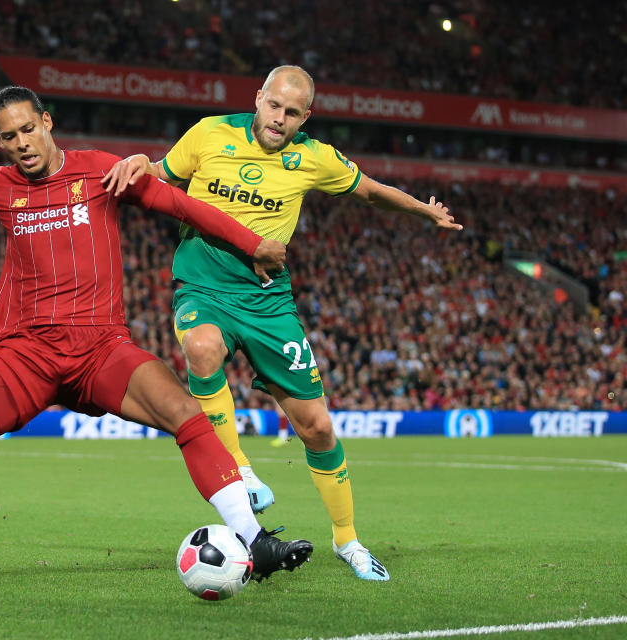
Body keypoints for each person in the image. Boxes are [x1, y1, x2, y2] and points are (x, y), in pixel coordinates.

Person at [0, 86, 313, 584]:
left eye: (28, 129)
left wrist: (253, 245)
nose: (22, 144)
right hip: (25, 355)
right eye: (9, 137)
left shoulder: (101, 170)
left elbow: (183, 207)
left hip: (100, 349)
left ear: (47, 122)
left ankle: (255, 541)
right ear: (0, 142)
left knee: (185, 413)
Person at [102, 65, 463, 581]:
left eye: (293, 113)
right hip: (203, 285)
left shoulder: (313, 157)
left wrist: (423, 213)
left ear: (305, 117)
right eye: (274, 106)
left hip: (269, 302)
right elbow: (159, 174)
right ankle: (240, 470)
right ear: (259, 98)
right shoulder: (210, 134)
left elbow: (370, 191)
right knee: (202, 348)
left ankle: (348, 541)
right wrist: (140, 160)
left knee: (316, 427)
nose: (280, 119)